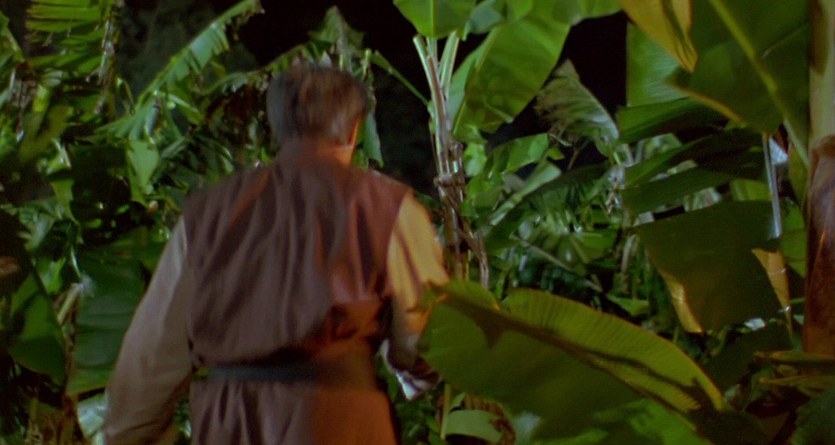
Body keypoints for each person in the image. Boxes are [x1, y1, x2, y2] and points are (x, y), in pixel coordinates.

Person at [104, 64, 448, 445]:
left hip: (233, 424)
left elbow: (152, 355)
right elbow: (424, 336)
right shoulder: (388, 207)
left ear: (278, 128)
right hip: (341, 422)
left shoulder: (208, 214)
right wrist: (412, 373)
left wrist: (132, 432)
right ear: (354, 131)